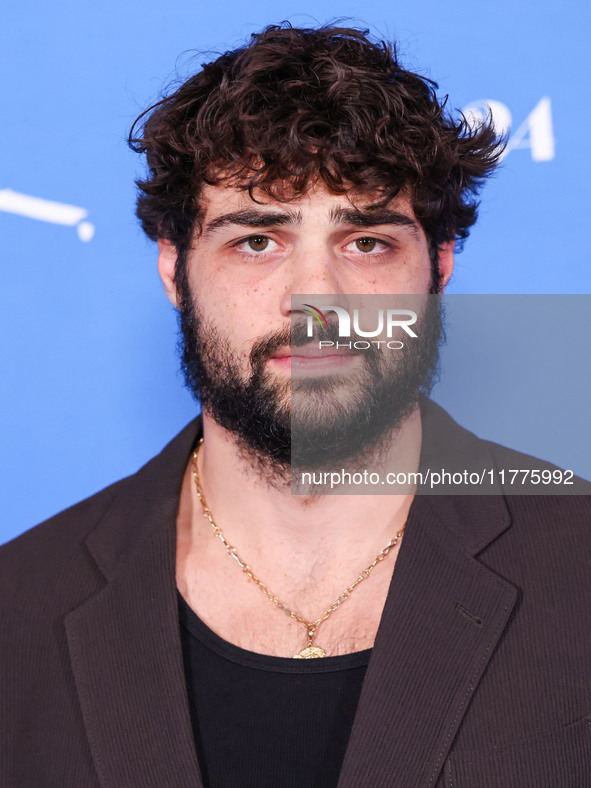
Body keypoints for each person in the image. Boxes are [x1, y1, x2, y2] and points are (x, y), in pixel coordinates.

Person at [1, 24, 590, 788]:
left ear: (437, 268)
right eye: (256, 242)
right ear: (175, 270)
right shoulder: (20, 607)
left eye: (367, 242)